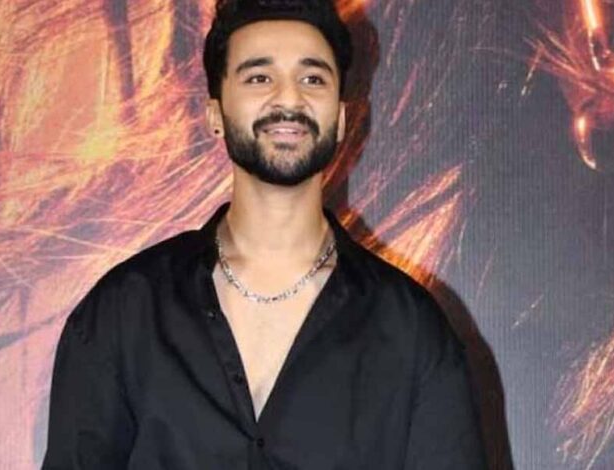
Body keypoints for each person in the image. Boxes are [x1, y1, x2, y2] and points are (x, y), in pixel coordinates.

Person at [42, 0, 487, 468]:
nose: (288, 99)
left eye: (312, 78)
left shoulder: (411, 330)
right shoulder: (124, 312)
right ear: (215, 113)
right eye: (259, 77)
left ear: (340, 119)